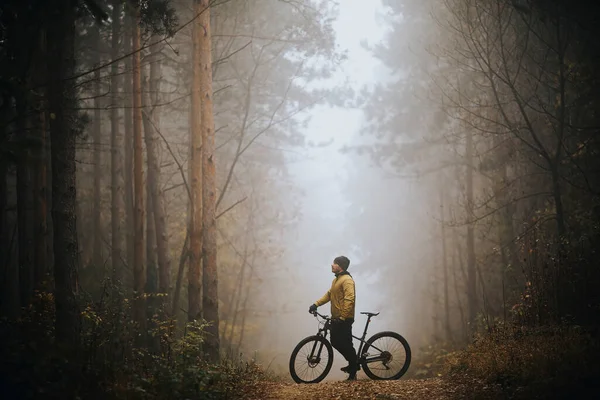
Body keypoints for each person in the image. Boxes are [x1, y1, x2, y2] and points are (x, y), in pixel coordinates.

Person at [308, 255, 358, 381]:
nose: (332, 265)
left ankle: (353, 366)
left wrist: (343, 317)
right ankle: (353, 365)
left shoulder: (347, 280)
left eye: (335, 263)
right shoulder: (336, 280)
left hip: (344, 318)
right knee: (339, 342)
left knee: (340, 342)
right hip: (337, 318)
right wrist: (316, 304)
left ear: (340, 266)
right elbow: (329, 295)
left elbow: (349, 299)